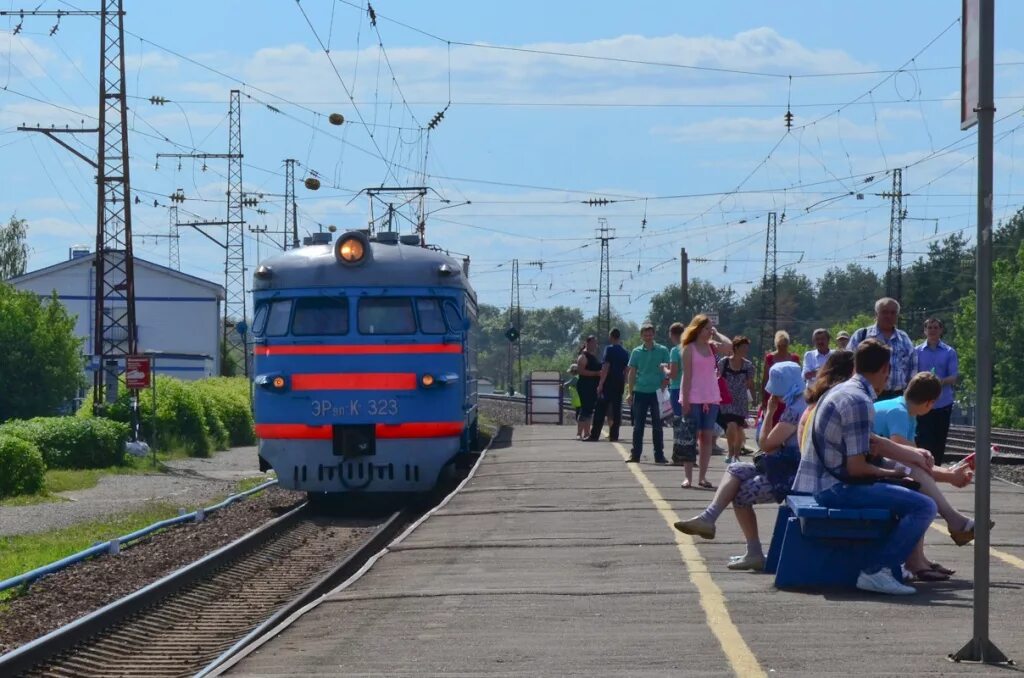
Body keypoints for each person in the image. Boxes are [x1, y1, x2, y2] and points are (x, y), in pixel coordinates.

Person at [673, 354, 853, 571]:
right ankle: (709, 518)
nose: (771, 393)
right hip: (788, 466)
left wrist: (768, 413)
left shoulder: (796, 408)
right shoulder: (797, 401)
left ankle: (753, 551)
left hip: (795, 474)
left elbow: (765, 443)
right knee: (735, 468)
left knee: (742, 494)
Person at [791, 339, 937, 595]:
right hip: (836, 488)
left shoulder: (841, 390)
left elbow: (870, 445)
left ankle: (893, 565)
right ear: (884, 370)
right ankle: (876, 570)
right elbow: (857, 469)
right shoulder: (859, 401)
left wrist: (906, 458)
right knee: (924, 506)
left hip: (823, 482)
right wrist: (893, 474)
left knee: (906, 494)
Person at [872, 371, 977, 581]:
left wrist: (949, 473)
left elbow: (914, 461)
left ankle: (920, 559)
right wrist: (949, 476)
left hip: (875, 466)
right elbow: (908, 459)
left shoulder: (902, 410)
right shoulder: (899, 413)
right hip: (869, 469)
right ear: (930, 403)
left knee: (919, 490)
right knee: (918, 494)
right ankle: (952, 523)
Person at [680, 314, 734, 487]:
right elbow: (687, 376)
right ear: (698, 329)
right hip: (693, 397)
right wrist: (686, 400)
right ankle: (688, 476)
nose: (709, 331)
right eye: (707, 328)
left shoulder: (712, 347)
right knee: (691, 436)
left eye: (711, 328)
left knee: (706, 437)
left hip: (711, 397)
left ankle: (702, 477)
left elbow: (729, 347)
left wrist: (717, 334)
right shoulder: (689, 349)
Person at [848, 297, 916, 401]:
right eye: (884, 312)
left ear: (897, 316)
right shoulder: (861, 335)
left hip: (897, 397)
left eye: (893, 313)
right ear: (876, 314)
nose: (889, 316)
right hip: (866, 396)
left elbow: (912, 369)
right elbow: (848, 364)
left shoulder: (904, 338)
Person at [914, 318, 959, 465]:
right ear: (925, 330)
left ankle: (936, 470)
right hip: (922, 403)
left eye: (935, 327)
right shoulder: (917, 351)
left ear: (941, 330)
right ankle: (923, 468)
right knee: (924, 439)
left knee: (939, 441)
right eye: (930, 327)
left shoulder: (949, 352)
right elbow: (912, 374)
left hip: (943, 402)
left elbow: (953, 376)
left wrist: (939, 382)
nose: (933, 330)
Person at [625, 323, 672, 464]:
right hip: (640, 391)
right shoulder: (636, 352)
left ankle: (659, 455)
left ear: (654, 335)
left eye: (650, 334)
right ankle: (635, 455)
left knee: (657, 425)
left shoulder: (663, 350)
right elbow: (632, 373)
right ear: (641, 336)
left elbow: (668, 368)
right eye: (645, 334)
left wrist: (665, 382)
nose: (648, 337)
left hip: (657, 392)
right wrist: (630, 392)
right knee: (638, 425)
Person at [717, 336, 755, 464]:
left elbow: (750, 383)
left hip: (741, 400)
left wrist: (754, 398)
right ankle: (730, 452)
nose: (745, 350)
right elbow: (717, 379)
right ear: (735, 348)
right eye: (743, 348)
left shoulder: (748, 365)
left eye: (747, 348)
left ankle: (737, 454)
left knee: (739, 429)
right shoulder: (724, 362)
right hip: (726, 399)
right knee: (731, 425)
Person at [588, 328, 630, 442]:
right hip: (619, 383)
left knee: (600, 409)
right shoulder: (625, 352)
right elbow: (626, 370)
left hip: (608, 384)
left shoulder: (609, 349)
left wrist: (600, 384)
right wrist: (626, 384)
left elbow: (606, 367)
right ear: (619, 337)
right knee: (616, 410)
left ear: (611, 337)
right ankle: (614, 435)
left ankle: (594, 435)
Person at [759, 330, 800, 429]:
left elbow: (798, 378)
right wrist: (763, 398)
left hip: (789, 395)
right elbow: (765, 378)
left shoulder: (794, 358)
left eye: (784, 345)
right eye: (779, 346)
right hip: (773, 394)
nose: (782, 348)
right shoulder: (770, 358)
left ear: (788, 345)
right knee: (772, 419)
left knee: (787, 420)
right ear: (776, 345)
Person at [574, 336, 602, 441]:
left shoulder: (593, 356)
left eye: (596, 343)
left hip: (592, 386)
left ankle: (587, 432)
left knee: (589, 410)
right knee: (585, 409)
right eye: (594, 343)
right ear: (587, 343)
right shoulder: (583, 357)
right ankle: (579, 433)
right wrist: (596, 373)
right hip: (585, 386)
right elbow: (581, 371)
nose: (595, 345)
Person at [666, 322, 686, 420]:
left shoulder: (675, 350)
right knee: (689, 419)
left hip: (677, 388)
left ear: (671, 334)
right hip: (690, 389)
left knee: (678, 419)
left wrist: (664, 369)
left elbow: (673, 374)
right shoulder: (691, 348)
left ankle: (679, 436)